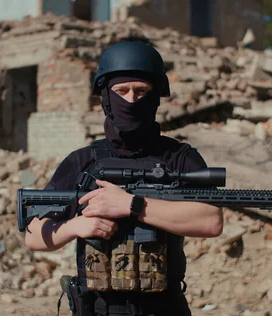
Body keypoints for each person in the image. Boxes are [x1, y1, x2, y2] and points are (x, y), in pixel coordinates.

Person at [24, 41, 223, 316]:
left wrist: (132, 205)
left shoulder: (179, 158)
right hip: (98, 309)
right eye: (121, 91)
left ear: (155, 97)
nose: (131, 100)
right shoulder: (83, 161)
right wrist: (75, 226)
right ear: (106, 96)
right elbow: (33, 236)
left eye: (141, 91)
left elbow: (211, 220)